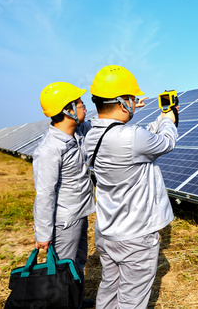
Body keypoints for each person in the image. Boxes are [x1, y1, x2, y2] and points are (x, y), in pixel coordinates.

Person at [84, 65, 178, 308]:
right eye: (131, 99)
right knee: (131, 299)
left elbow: (138, 138)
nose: (134, 103)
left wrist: (153, 116)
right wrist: (169, 118)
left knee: (109, 287)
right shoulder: (132, 137)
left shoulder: (92, 135)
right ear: (122, 102)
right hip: (135, 236)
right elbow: (165, 142)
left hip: (108, 231)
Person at [33, 82, 95, 308]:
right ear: (68, 110)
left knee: (78, 263)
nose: (85, 108)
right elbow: (45, 193)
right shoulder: (49, 149)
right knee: (63, 270)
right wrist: (43, 233)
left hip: (80, 213)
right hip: (64, 222)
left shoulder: (77, 133)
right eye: (80, 104)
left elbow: (99, 124)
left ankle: (75, 302)